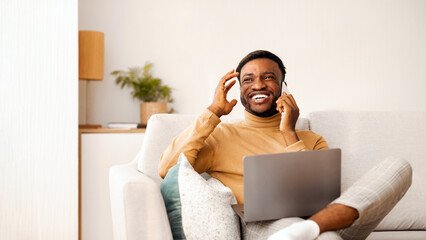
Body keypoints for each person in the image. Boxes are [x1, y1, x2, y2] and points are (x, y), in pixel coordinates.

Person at [158, 50, 412, 240]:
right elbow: (168, 169)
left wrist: (289, 132)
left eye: (269, 77)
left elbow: (318, 196)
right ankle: (311, 231)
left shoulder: (312, 139)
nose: (258, 85)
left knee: (399, 167)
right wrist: (213, 111)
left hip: (326, 220)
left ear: (283, 87)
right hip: (264, 227)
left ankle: (310, 228)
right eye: (248, 80)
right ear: (239, 89)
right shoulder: (220, 135)